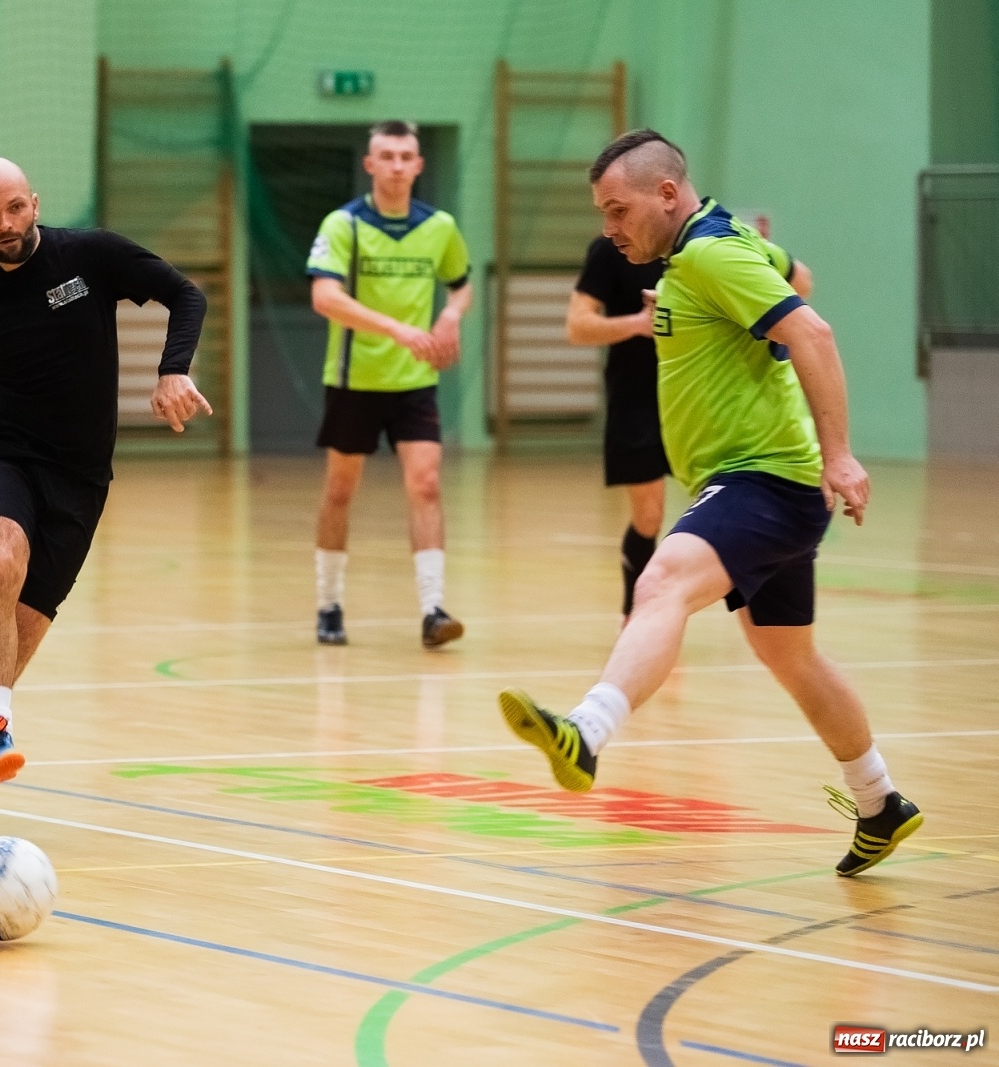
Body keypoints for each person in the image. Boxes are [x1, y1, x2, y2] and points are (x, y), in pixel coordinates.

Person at [499, 129, 922, 877]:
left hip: (764, 477)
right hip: (770, 479)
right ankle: (878, 800)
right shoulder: (714, 246)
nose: (609, 228)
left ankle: (587, 732)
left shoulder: (709, 253)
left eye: (618, 209)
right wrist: (699, 306)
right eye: (602, 213)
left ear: (667, 194)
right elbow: (796, 277)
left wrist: (841, 453)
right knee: (788, 653)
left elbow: (812, 330)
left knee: (661, 581)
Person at [0, 157, 210, 815]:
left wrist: (173, 369)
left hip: (80, 478)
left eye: (16, 207)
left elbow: (186, 294)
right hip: (0, 454)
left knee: (5, 650)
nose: (7, 224)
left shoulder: (91, 256)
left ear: (35, 202)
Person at [567, 233, 812, 620]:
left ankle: (738, 609)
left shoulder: (707, 248)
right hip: (637, 400)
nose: (613, 223)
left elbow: (800, 283)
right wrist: (638, 323)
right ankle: (635, 615)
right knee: (649, 514)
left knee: (723, 504)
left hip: (703, 399)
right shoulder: (610, 250)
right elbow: (577, 326)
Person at [305, 119, 474, 650]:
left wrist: (450, 317)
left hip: (415, 381)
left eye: (406, 157)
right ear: (370, 164)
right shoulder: (344, 224)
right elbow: (325, 298)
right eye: (387, 156)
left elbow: (461, 285)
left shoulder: (439, 227)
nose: (397, 166)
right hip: (354, 378)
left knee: (426, 484)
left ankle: (433, 610)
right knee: (340, 490)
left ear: (418, 165)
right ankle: (329, 603)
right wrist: (399, 329)